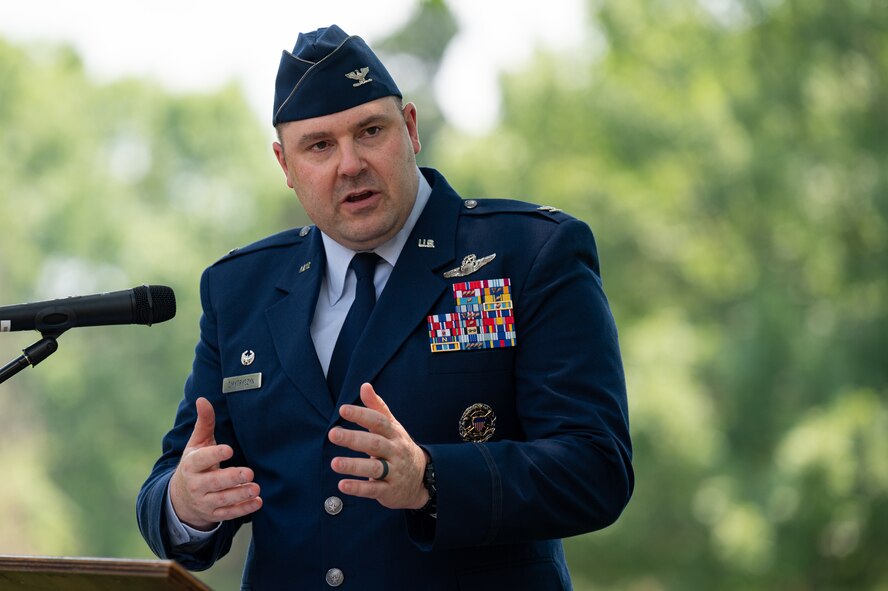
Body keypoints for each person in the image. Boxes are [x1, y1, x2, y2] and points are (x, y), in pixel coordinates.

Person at [137, 24, 633, 591]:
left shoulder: (528, 254)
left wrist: (431, 480)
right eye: (319, 145)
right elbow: (170, 486)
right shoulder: (240, 288)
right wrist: (185, 502)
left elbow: (597, 468)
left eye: (370, 131)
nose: (349, 164)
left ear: (411, 129)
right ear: (285, 164)